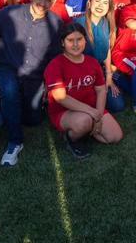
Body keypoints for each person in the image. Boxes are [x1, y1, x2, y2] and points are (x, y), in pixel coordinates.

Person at [0, 0, 63, 167]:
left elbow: (55, 58)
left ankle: (10, 108)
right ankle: (15, 143)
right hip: (9, 67)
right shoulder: (10, 13)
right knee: (9, 92)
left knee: (32, 119)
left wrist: (49, 85)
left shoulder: (56, 23)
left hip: (34, 75)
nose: (43, 3)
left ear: (54, 1)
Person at [44, 22, 124, 160]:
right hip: (64, 111)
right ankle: (71, 138)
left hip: (92, 109)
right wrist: (92, 113)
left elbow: (100, 90)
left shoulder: (92, 62)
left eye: (79, 39)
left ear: (85, 41)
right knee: (84, 121)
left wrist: (98, 115)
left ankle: (88, 129)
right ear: (62, 43)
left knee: (115, 137)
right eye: (70, 40)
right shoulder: (55, 65)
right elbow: (61, 97)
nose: (75, 44)